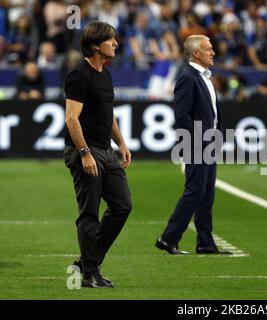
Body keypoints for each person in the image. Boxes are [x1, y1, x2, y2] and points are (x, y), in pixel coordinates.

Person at [63, 21, 132, 288]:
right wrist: (85, 153)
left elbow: (108, 114)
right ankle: (91, 273)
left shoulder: (105, 74)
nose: (115, 43)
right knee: (89, 213)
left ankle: (87, 261)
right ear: (95, 45)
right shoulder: (79, 75)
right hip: (85, 152)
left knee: (122, 205)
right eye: (110, 39)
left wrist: (122, 144)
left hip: (107, 150)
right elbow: (72, 118)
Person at [155, 35, 230, 255]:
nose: (213, 52)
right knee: (195, 191)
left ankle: (205, 242)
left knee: (206, 193)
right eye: (208, 49)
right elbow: (181, 114)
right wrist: (195, 141)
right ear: (196, 53)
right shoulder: (188, 77)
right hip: (197, 143)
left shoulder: (203, 76)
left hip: (209, 142)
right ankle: (168, 238)